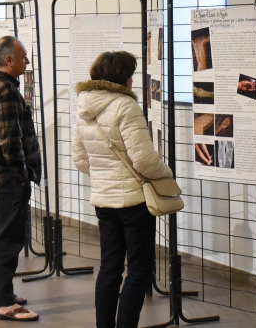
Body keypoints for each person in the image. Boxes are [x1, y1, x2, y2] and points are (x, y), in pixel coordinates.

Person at [71, 51, 173, 328]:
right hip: (134, 203)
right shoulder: (125, 107)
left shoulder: (83, 107)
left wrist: (105, 176)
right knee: (139, 269)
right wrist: (167, 175)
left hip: (103, 201)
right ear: (122, 77)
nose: (132, 81)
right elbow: (143, 160)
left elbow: (79, 159)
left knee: (109, 268)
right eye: (130, 75)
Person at [0, 36, 42, 322]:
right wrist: (23, 175)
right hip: (8, 177)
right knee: (9, 239)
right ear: (9, 60)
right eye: (23, 57)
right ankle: (4, 303)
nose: (27, 62)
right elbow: (10, 142)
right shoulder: (7, 92)